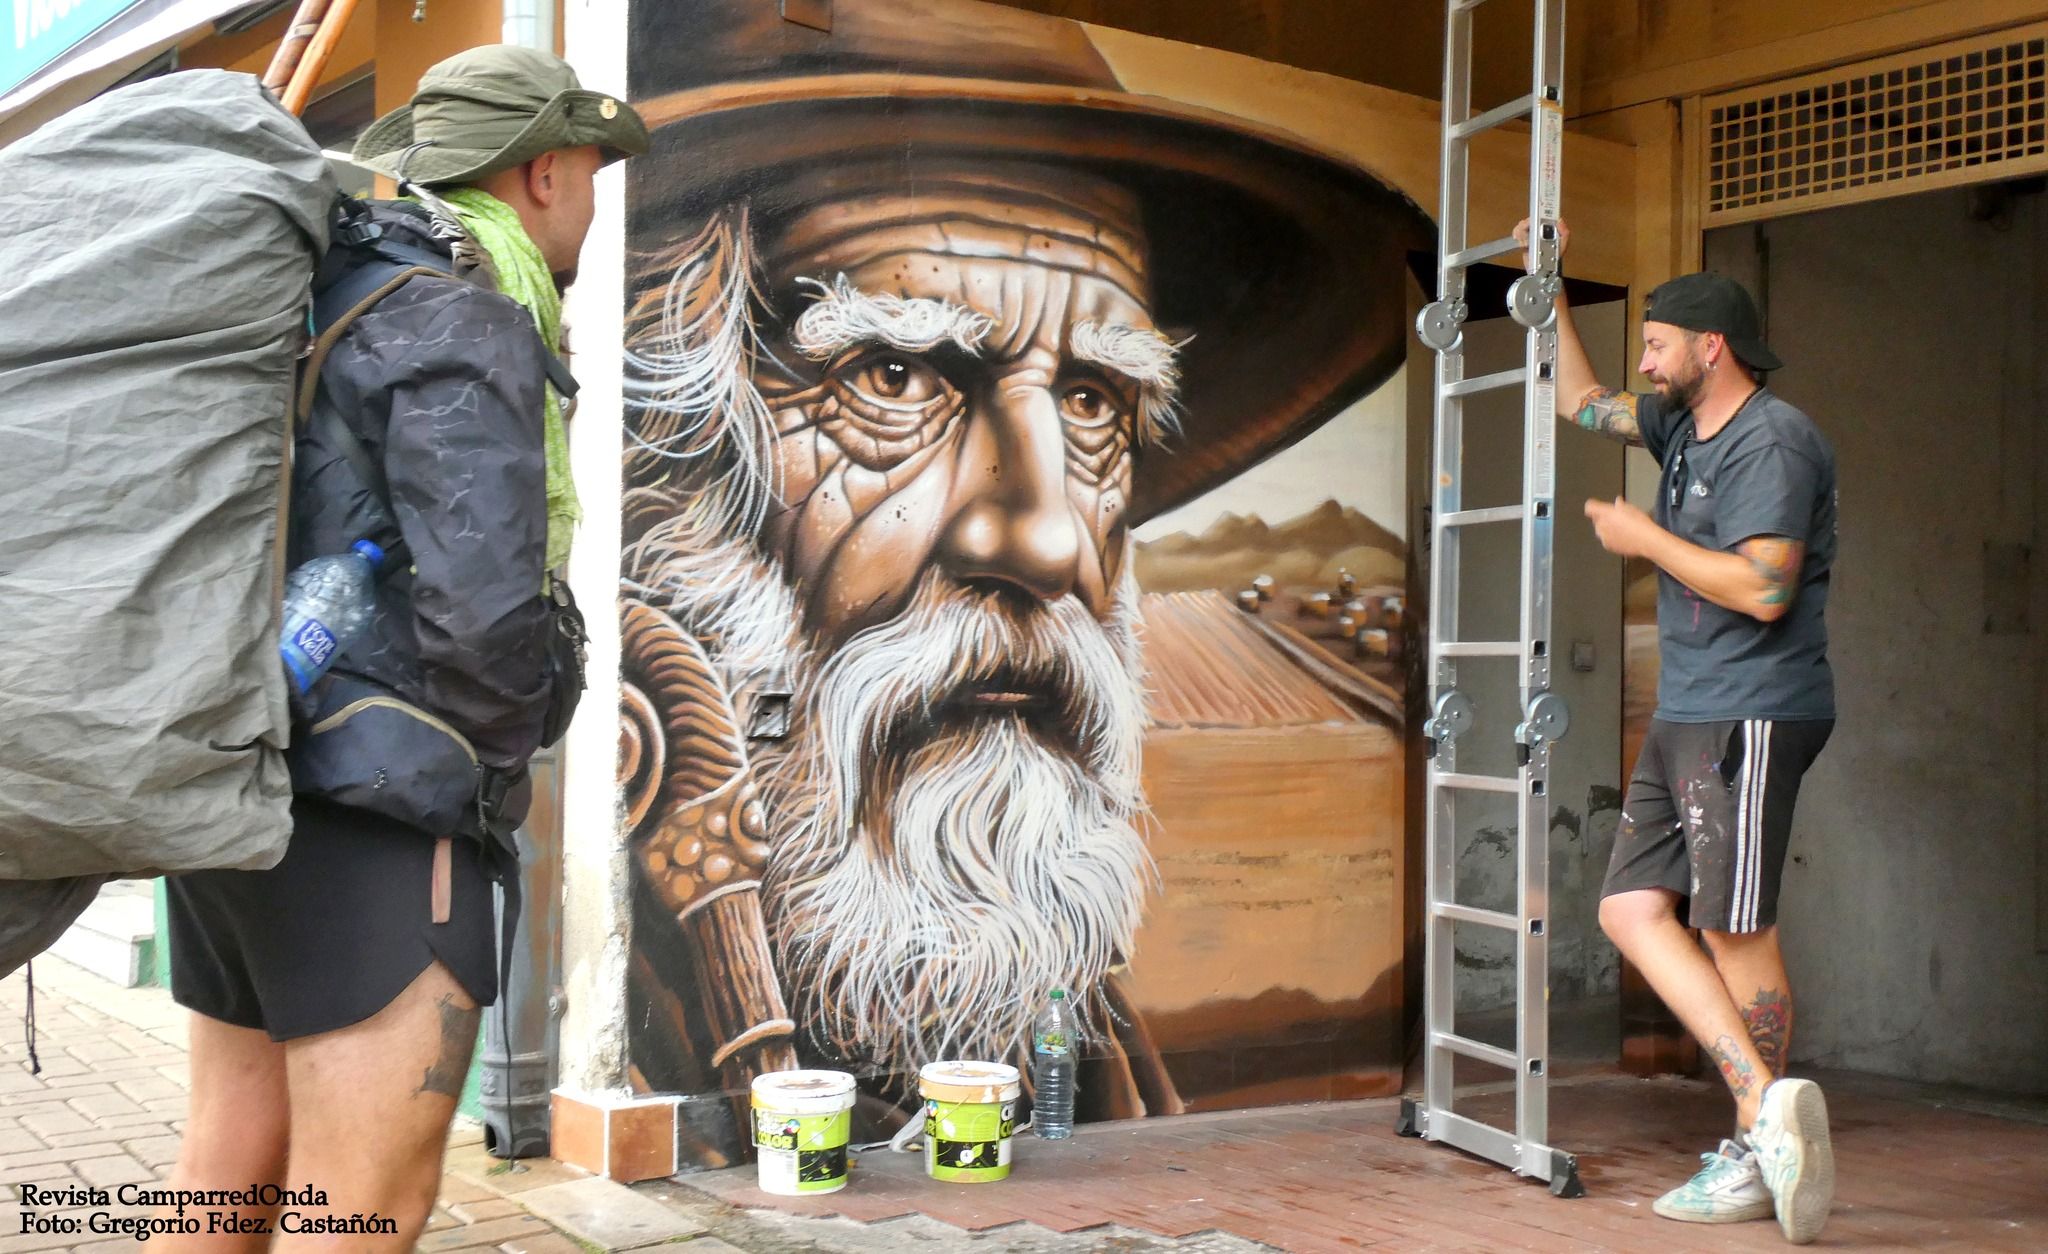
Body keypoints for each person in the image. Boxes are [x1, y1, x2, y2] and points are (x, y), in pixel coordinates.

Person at [160, 46, 645, 1250]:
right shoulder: (460, 312)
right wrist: (485, 777)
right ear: (542, 172)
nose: (591, 200)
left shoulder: (316, 288)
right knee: (363, 1210)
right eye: (589, 172)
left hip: (238, 793)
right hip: (377, 828)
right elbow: (485, 616)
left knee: (224, 1174)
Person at [1529, 220, 1839, 1244]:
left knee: (1732, 925)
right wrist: (1551, 286)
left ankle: (1759, 1137)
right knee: (1626, 908)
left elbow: (1762, 588)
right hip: (1688, 711)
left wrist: (1639, 539)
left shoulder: (1772, 437)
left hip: (1750, 709)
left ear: (1712, 348)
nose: (1643, 362)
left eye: (1656, 344)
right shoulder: (1676, 429)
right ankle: (1763, 1106)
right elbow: (1577, 402)